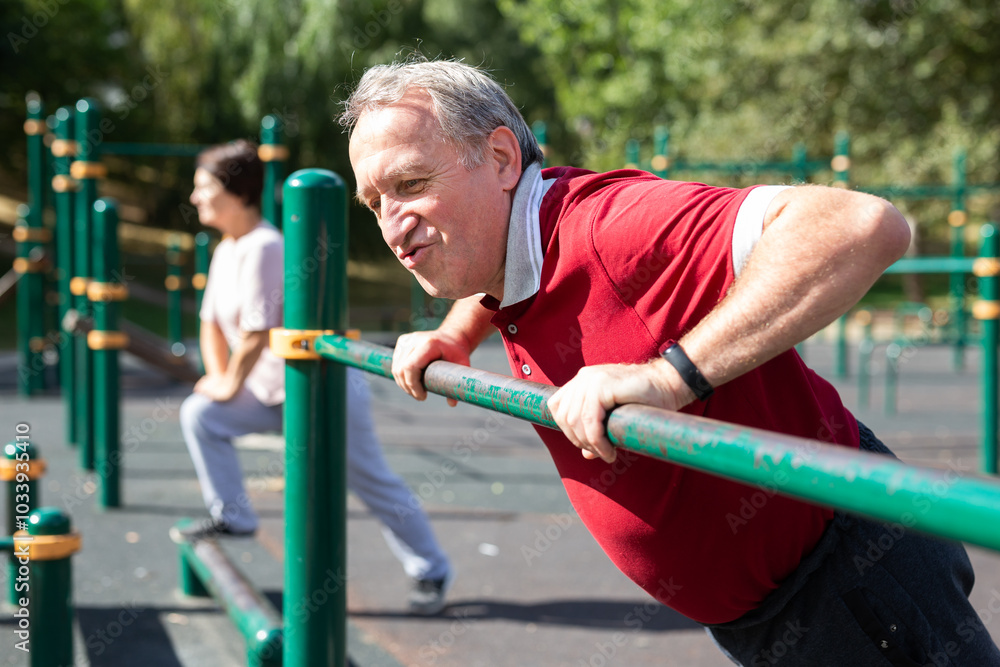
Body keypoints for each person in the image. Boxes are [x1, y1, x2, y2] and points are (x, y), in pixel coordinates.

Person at [339, 58, 1000, 664]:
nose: (393, 225)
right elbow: (507, 267)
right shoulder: (524, 237)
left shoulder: (611, 227)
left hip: (847, 581)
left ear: (502, 158)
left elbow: (861, 225)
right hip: (774, 606)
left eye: (412, 183)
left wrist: (669, 377)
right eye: (375, 203)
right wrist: (457, 333)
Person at [172, 139, 454, 615]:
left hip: (319, 390)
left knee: (370, 481)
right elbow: (209, 324)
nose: (196, 198)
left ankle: (430, 568)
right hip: (266, 391)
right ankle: (234, 516)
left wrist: (227, 382)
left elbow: (258, 331)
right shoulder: (225, 250)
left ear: (235, 192)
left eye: (204, 188)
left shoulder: (266, 246)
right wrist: (219, 380)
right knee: (201, 415)